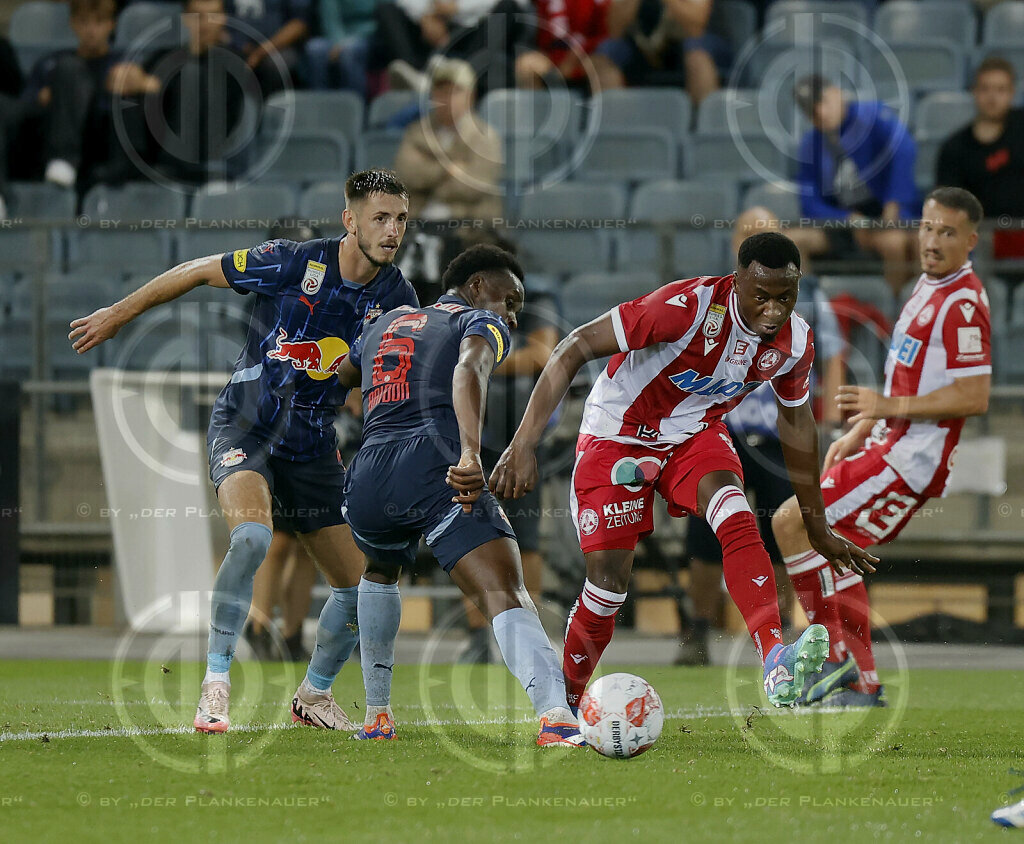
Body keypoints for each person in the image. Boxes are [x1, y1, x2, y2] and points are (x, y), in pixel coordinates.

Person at [68, 169, 419, 733]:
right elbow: (195, 270)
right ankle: (215, 679)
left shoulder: (399, 297)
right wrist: (117, 314)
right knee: (253, 537)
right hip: (247, 425)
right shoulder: (292, 260)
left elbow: (383, 376)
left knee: (363, 590)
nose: (393, 230)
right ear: (349, 220)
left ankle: (314, 693)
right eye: (380, 217)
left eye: (401, 218)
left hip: (312, 447)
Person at [490, 232, 879, 711]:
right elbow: (573, 347)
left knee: (735, 514)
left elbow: (798, 424)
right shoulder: (684, 308)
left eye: (786, 297)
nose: (774, 311)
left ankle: (775, 659)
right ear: (737, 283)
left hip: (695, 433)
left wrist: (815, 525)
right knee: (608, 584)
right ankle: (564, 707)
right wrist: (523, 444)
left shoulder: (795, 343)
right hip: (618, 431)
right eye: (762, 296)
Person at [333, 244, 584, 746]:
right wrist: (471, 453)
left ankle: (377, 715)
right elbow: (469, 370)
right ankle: (556, 715)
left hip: (366, 477)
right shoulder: (478, 322)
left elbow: (340, 377)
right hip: (432, 466)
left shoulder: (387, 323)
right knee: (504, 589)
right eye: (508, 300)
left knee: (380, 571)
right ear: (475, 288)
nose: (511, 314)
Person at [772, 187, 992, 708]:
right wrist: (862, 428)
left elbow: (974, 394)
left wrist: (886, 410)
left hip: (912, 456)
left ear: (971, 242)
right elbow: (912, 377)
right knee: (833, 541)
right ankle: (859, 681)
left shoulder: (962, 302)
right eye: (928, 228)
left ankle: (837, 661)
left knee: (791, 521)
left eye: (948, 232)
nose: (933, 240)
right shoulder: (927, 287)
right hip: (889, 444)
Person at [678, 207, 846, 666]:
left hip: (777, 435)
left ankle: (787, 628)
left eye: (766, 232)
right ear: (737, 245)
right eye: (748, 233)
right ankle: (699, 630)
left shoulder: (807, 295)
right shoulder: (719, 296)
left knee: (782, 530)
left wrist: (826, 408)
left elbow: (832, 351)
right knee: (705, 537)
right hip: (725, 431)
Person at [460, 282, 560, 662]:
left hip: (523, 441)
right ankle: (477, 638)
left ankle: (529, 634)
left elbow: (542, 354)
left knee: (527, 538)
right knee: (467, 536)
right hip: (474, 439)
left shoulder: (538, 299)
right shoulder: (466, 306)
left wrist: (484, 361)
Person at [793, 74, 919, 296]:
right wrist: (847, 220)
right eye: (811, 110)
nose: (820, 113)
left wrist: (894, 202)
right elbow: (808, 201)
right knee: (793, 241)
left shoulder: (870, 116)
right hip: (842, 222)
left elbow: (904, 147)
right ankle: (809, 312)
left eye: (823, 102)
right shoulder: (811, 143)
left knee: (894, 243)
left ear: (837, 93)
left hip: (883, 217)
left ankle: (891, 316)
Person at [937, 56, 1024, 261]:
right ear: (974, 92)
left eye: (1001, 89)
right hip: (982, 243)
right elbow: (948, 209)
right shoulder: (954, 148)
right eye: (985, 89)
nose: (992, 97)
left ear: (1012, 93)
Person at [590, 0, 727, 105]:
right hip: (641, 45)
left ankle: (702, 126)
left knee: (697, 57)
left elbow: (695, 29)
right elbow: (614, 31)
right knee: (604, 56)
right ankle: (615, 130)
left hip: (687, 42)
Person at [515, 0, 610, 91]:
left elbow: (605, 35)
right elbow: (541, 38)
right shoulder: (543, 3)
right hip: (553, 59)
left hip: (586, 57)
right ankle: (536, 107)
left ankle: (602, 106)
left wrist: (577, 54)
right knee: (526, 64)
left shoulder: (598, 3)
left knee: (606, 71)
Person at [225, 0, 312, 95]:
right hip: (234, 44)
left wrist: (260, 53)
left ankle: (276, 107)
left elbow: (299, 24)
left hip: (277, 47)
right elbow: (217, 15)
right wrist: (238, 44)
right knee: (219, 57)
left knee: (278, 63)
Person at [305, 0, 377, 95]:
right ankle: (319, 101)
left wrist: (344, 44)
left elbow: (385, 13)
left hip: (369, 34)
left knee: (349, 50)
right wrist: (338, 42)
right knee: (314, 48)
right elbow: (330, 18)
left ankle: (355, 102)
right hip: (337, 34)